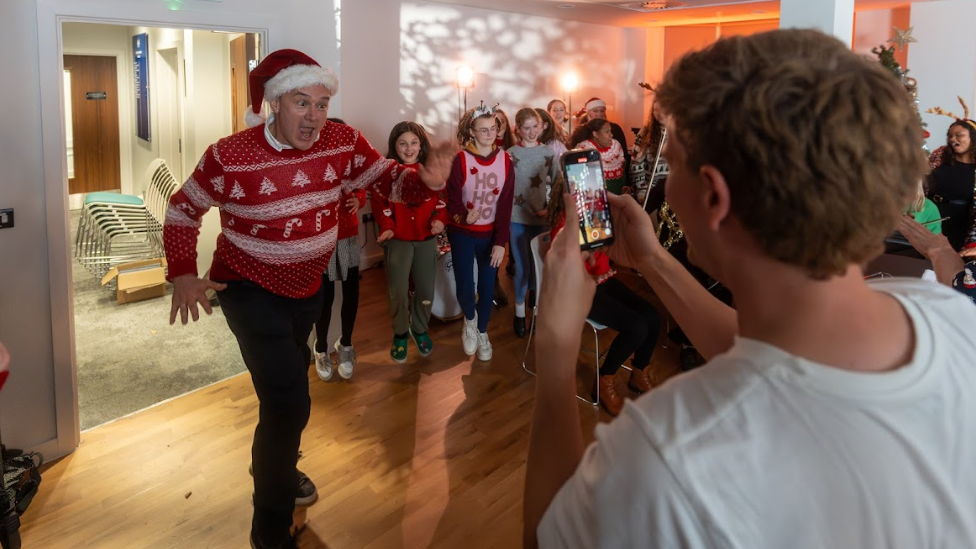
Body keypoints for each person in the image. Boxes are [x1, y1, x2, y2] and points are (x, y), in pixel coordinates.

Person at [523, 29, 976, 548]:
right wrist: (652, 260)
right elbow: (774, 359)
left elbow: (544, 539)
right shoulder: (945, 313)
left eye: (677, 159)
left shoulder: (670, 459)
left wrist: (557, 354)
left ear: (713, 195)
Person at [163, 49, 449, 549]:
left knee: (287, 395)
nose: (315, 116)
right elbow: (184, 210)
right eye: (302, 103)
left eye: (321, 103)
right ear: (275, 103)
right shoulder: (229, 154)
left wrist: (423, 179)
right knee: (288, 402)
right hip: (247, 289)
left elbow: (386, 178)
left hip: (307, 289)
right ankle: (269, 531)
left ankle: (276, 466)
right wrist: (184, 274)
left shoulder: (341, 141)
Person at [546, 176, 661, 415]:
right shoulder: (564, 227)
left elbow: (605, 258)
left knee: (653, 316)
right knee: (637, 327)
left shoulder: (595, 216)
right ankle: (604, 379)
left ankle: (639, 371)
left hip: (603, 281)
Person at [371, 121, 447, 362]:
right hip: (398, 242)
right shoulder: (387, 174)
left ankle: (420, 328)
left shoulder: (430, 171)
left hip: (425, 240)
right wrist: (387, 227)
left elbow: (442, 202)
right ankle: (401, 332)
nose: (409, 148)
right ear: (394, 146)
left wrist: (439, 221)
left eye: (414, 142)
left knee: (425, 288)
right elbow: (380, 204)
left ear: (421, 144)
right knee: (398, 290)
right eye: (403, 143)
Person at [446, 102, 515, 361]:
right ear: (472, 131)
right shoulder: (461, 160)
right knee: (466, 285)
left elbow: (506, 205)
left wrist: (501, 242)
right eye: (483, 129)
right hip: (462, 233)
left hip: (490, 236)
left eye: (493, 128)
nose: (489, 133)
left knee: (487, 286)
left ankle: (483, 331)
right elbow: (451, 198)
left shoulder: (505, 160)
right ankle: (470, 320)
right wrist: (464, 215)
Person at [310, 118, 364, 382]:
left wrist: (360, 198)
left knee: (352, 291)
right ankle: (320, 347)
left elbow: (364, 185)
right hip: (323, 239)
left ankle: (347, 344)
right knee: (326, 297)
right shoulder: (312, 165)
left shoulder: (352, 164)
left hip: (349, 236)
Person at [507, 108, 559, 337]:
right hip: (516, 218)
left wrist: (550, 207)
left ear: (541, 126)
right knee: (523, 268)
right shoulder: (508, 154)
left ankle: (536, 313)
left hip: (541, 219)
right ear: (517, 129)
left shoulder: (548, 153)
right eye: (525, 128)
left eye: (534, 127)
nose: (530, 132)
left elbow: (558, 184)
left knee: (539, 269)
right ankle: (519, 313)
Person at [926, 117, 976, 251]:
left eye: (959, 135)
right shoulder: (940, 154)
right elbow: (921, 177)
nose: (953, 139)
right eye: (950, 136)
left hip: (959, 223)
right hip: (930, 215)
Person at [569, 119, 626, 194]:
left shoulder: (616, 146)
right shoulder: (584, 149)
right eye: (607, 131)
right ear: (595, 134)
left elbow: (623, 169)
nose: (611, 135)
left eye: (610, 131)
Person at [575, 97, 631, 170]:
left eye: (602, 111)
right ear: (588, 113)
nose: (599, 114)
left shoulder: (615, 129)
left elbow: (624, 155)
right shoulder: (580, 131)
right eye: (595, 111)